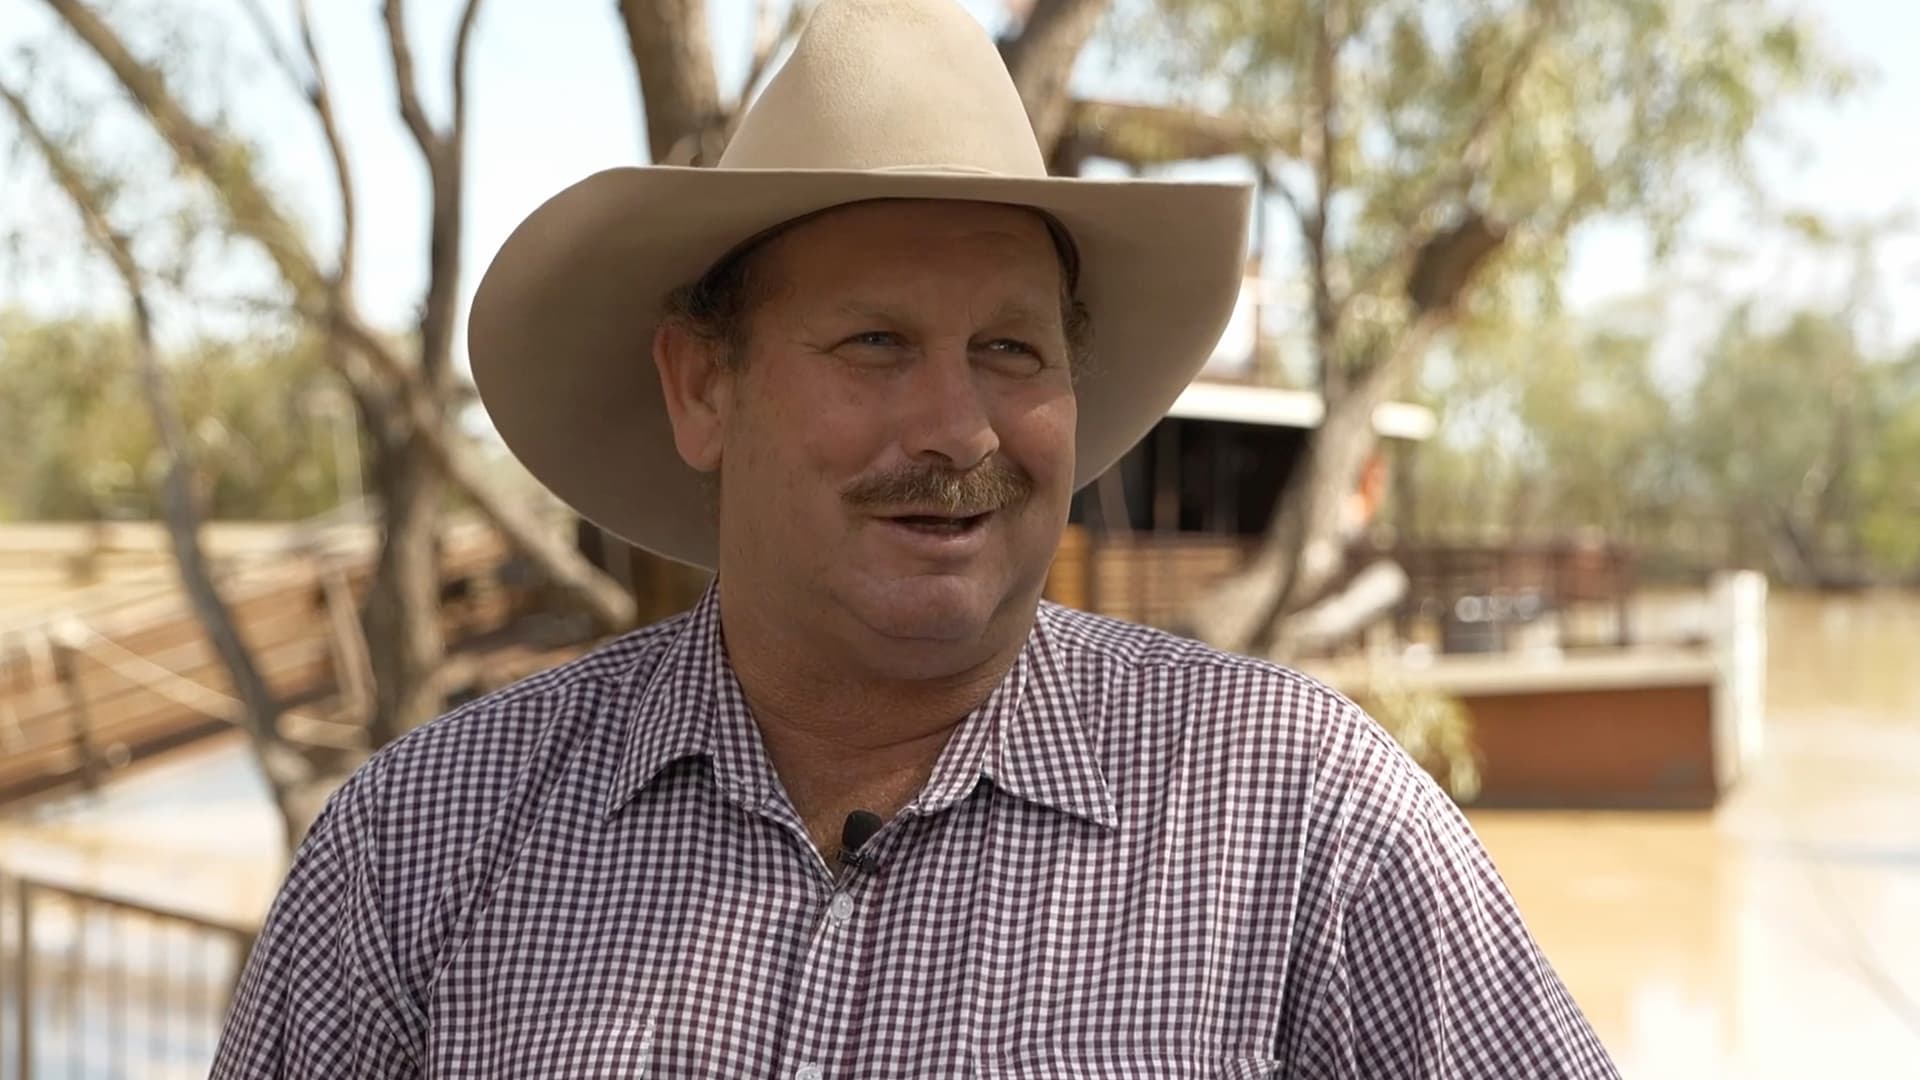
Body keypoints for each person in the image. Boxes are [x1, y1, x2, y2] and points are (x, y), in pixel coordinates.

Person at [212, 0, 1619, 1076]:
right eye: (875, 343)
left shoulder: (1305, 829)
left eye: (1011, 348)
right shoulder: (424, 853)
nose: (958, 428)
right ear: (705, 388)